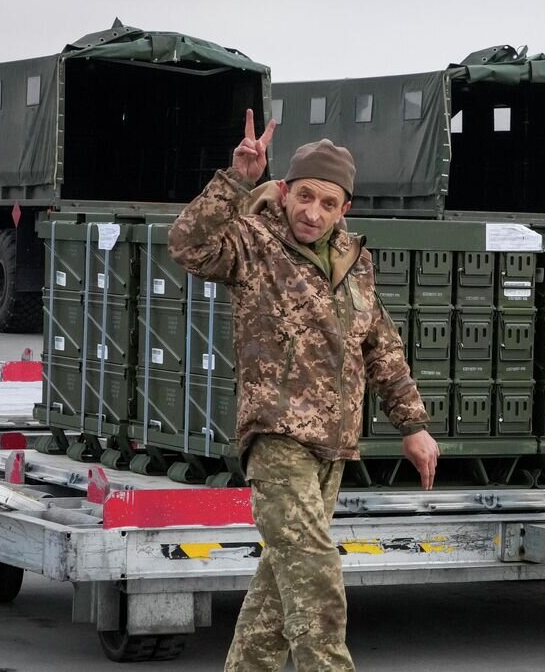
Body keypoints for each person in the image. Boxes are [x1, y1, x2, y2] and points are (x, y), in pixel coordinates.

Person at [169, 109, 440, 672]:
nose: (312, 213)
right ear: (287, 192)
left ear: (345, 210)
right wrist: (236, 180)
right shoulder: (253, 244)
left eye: (328, 203)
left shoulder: (355, 262)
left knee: (276, 596)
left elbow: (380, 345)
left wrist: (413, 425)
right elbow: (188, 246)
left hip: (333, 448)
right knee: (315, 581)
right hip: (277, 441)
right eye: (305, 197)